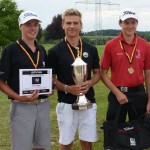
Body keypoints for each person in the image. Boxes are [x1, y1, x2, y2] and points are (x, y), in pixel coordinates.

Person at [47, 8, 100, 150]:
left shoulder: (91, 49)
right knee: (66, 143)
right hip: (66, 103)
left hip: (88, 102)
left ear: (81, 25)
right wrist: (68, 88)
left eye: (75, 23)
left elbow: (98, 73)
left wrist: (90, 83)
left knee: (87, 143)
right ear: (63, 24)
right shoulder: (54, 51)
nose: (72, 26)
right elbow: (51, 79)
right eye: (68, 23)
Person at [0, 10, 51, 150]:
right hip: (21, 106)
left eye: (36, 24)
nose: (33, 28)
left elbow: (45, 75)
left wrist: (49, 87)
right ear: (20, 26)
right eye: (28, 24)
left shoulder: (41, 50)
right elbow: (1, 81)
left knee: (41, 146)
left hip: (43, 105)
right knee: (21, 147)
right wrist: (19, 97)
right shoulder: (10, 50)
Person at [100, 7, 150, 141]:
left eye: (133, 22)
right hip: (118, 94)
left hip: (139, 93)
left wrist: (149, 100)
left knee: (140, 131)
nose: (130, 26)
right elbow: (103, 73)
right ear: (120, 23)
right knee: (114, 131)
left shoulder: (145, 45)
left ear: (137, 24)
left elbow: (148, 75)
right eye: (126, 22)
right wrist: (117, 92)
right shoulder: (110, 45)